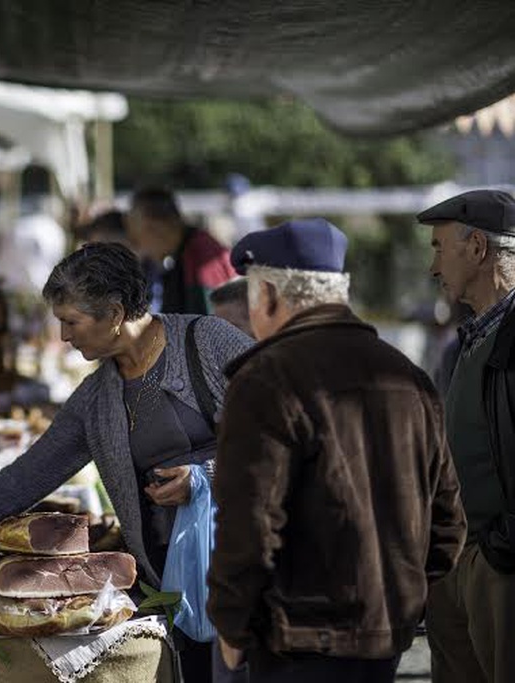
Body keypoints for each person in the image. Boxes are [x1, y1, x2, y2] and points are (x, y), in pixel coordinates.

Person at [0, 242, 253, 682]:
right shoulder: (97, 398)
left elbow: (286, 436)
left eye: (71, 322)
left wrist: (203, 478)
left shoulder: (208, 343)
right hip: (172, 584)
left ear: (113, 313)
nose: (65, 337)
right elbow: (25, 477)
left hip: (247, 569)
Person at [207, 218, 466, 683]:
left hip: (299, 640)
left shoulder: (266, 378)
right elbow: (447, 520)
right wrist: (404, 598)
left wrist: (231, 623)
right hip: (384, 632)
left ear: (267, 295)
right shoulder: (407, 376)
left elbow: (249, 520)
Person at [417, 189, 515, 683]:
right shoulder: (476, 335)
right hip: (465, 560)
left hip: (497, 567)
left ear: (477, 248)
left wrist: (501, 549)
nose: (434, 267)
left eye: (439, 248)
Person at [126, 187, 236, 315]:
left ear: (154, 227)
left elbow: (205, 325)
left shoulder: (201, 256)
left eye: (136, 238)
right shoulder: (183, 254)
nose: (135, 244)